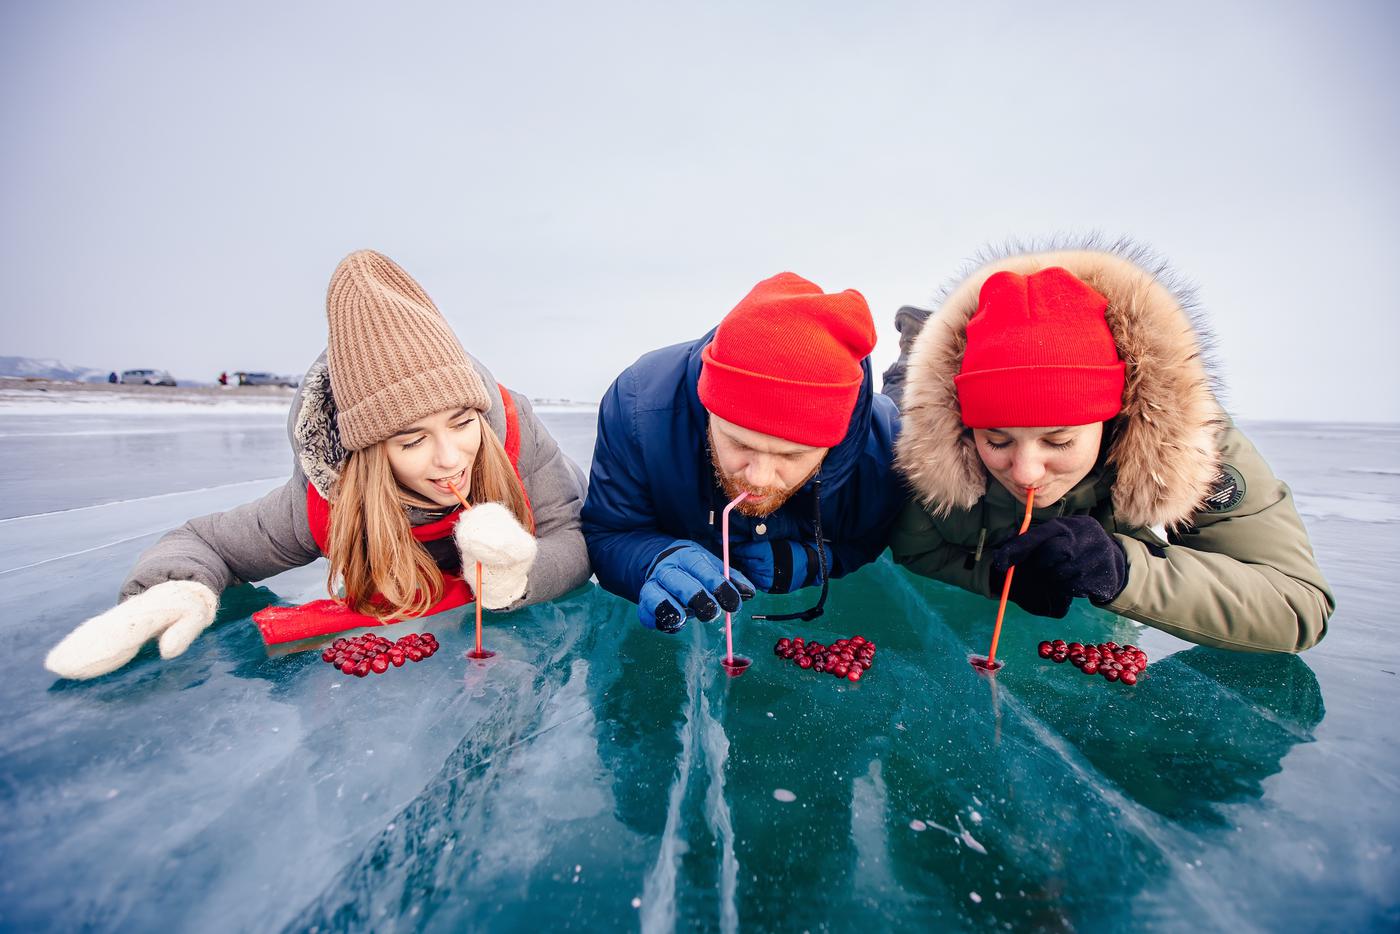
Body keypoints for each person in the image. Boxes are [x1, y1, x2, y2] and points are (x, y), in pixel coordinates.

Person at [46, 250, 591, 679]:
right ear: (369, 452)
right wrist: (175, 588)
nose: (450, 458)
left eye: (461, 423)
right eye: (411, 440)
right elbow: (206, 542)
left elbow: (577, 533)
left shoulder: (516, 438)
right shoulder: (326, 500)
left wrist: (520, 576)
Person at [886, 240, 1333, 652]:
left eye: (1058, 441)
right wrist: (996, 577)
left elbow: (1296, 604)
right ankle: (916, 345)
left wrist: (1125, 572)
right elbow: (918, 547)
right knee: (900, 387)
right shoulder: (935, 438)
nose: (1025, 471)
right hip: (933, 390)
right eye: (997, 440)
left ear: (1112, 417)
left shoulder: (1187, 442)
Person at [582, 272, 904, 631]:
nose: (758, 477)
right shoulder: (640, 408)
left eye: (792, 456)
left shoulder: (883, 446)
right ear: (707, 409)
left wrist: (818, 561)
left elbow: (873, 537)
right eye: (739, 443)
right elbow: (610, 532)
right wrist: (652, 561)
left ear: (835, 443)